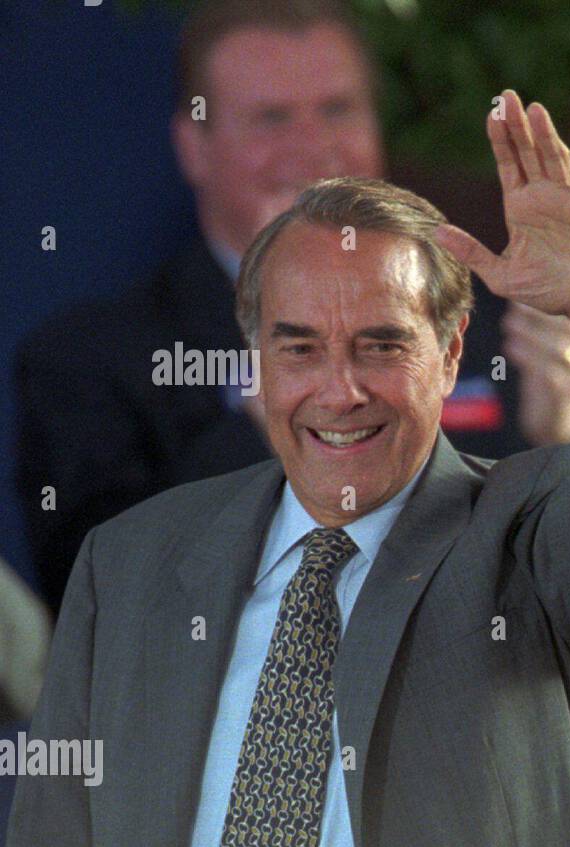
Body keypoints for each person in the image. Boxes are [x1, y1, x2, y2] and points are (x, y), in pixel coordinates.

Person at [0, 92, 570, 847]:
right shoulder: (133, 561)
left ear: (453, 350)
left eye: (381, 345)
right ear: (256, 360)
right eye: (299, 348)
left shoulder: (530, 532)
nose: (340, 391)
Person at [14, 0, 521, 613]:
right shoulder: (86, 361)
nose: (314, 150)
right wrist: (269, 391)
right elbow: (95, 604)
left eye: (337, 110)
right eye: (271, 118)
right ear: (193, 146)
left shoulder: (493, 324)